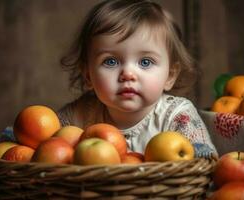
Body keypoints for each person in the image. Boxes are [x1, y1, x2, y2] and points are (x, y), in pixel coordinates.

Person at [58, 0, 217, 158]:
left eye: (145, 62)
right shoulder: (79, 115)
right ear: (88, 75)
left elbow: (203, 161)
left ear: (170, 75)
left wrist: (199, 154)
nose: (128, 74)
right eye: (111, 61)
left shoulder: (177, 115)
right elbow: (45, 146)